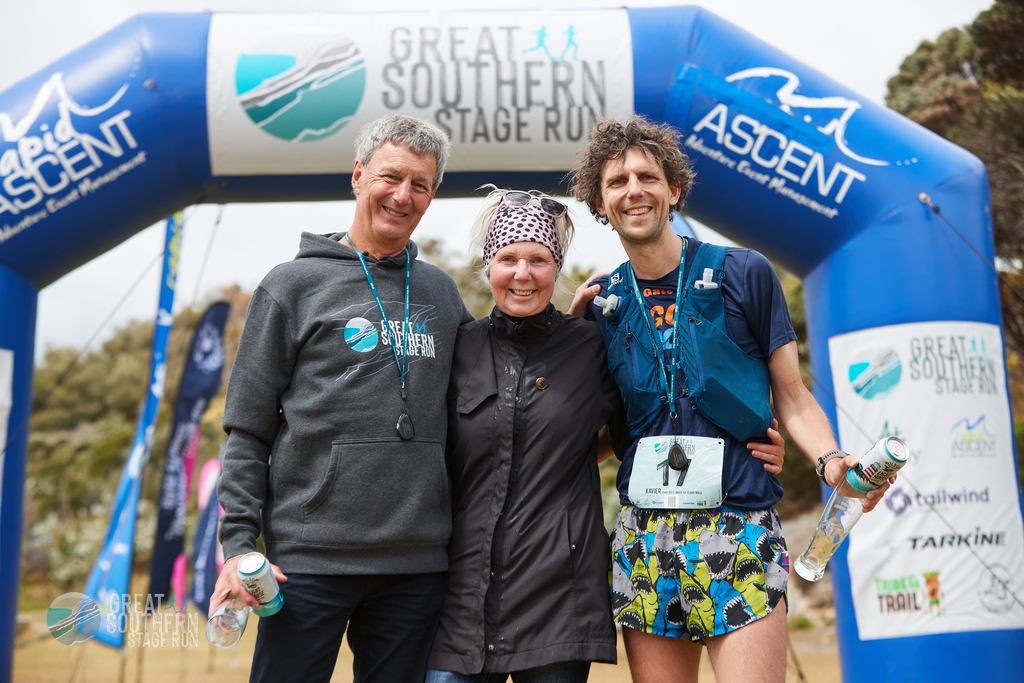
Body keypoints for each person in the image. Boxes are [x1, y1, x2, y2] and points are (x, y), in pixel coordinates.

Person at [567, 116, 895, 683]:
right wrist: (566, 345)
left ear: (674, 189)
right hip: (645, 535)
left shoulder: (743, 272)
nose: (633, 190)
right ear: (600, 201)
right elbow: (597, 437)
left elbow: (791, 396)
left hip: (737, 525)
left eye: (648, 176)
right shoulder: (601, 304)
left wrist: (830, 460)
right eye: (617, 181)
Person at [425, 188, 786, 683]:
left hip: (560, 592)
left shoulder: (590, 341)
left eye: (538, 259)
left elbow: (642, 419)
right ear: (488, 265)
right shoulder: (458, 348)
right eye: (508, 258)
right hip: (465, 596)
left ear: (557, 267)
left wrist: (754, 437)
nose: (523, 273)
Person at [210, 115, 473, 683]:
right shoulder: (290, 286)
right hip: (307, 562)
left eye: (420, 185)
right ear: (358, 176)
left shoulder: (442, 293)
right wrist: (236, 544)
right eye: (390, 176)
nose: (403, 195)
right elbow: (248, 430)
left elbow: (487, 394)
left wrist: (564, 334)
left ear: (432, 196)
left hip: (417, 565)